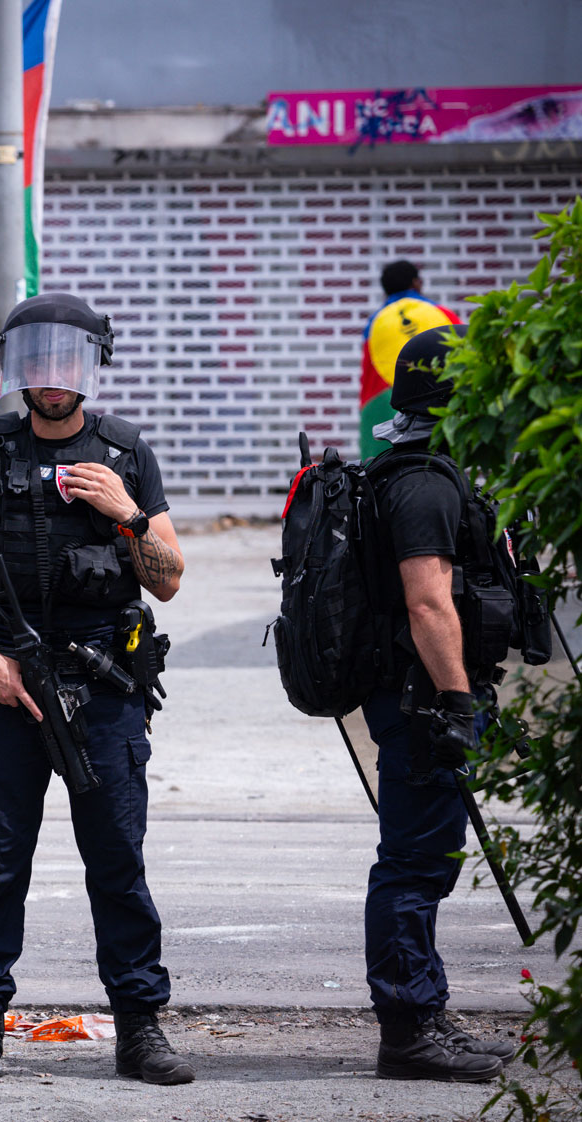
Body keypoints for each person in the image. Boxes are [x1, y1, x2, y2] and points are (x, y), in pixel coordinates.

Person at [0, 293, 194, 1087]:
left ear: (88, 367)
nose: (51, 380)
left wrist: (128, 516)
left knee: (118, 862)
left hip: (104, 691)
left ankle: (141, 1027)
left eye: (65, 362)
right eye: (36, 362)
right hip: (8, 688)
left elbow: (171, 581)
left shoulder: (125, 452)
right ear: (16, 368)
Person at [356, 326, 518, 1082]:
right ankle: (408, 1031)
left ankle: (424, 1010)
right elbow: (428, 604)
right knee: (413, 867)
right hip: (422, 698)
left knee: (423, 862)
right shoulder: (422, 485)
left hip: (420, 695)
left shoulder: (414, 470)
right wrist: (456, 700)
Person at [360, 260, 460, 458]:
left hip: (388, 407)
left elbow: (369, 376)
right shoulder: (443, 314)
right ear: (416, 283)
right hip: (438, 405)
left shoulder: (375, 322)